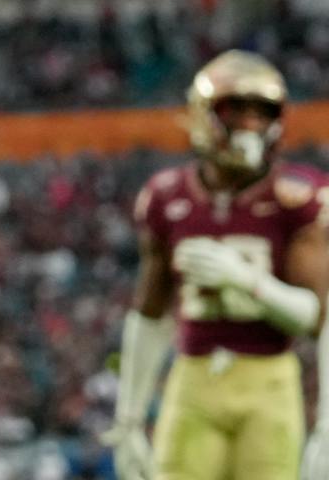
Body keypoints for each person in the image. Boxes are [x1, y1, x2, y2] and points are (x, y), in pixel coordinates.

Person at [106, 51, 329, 480]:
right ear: (203, 115)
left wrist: (249, 282)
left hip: (269, 381)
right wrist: (128, 419)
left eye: (261, 112)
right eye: (234, 109)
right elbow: (150, 314)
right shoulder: (167, 196)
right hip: (193, 378)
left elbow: (316, 316)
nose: (249, 124)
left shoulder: (297, 195)